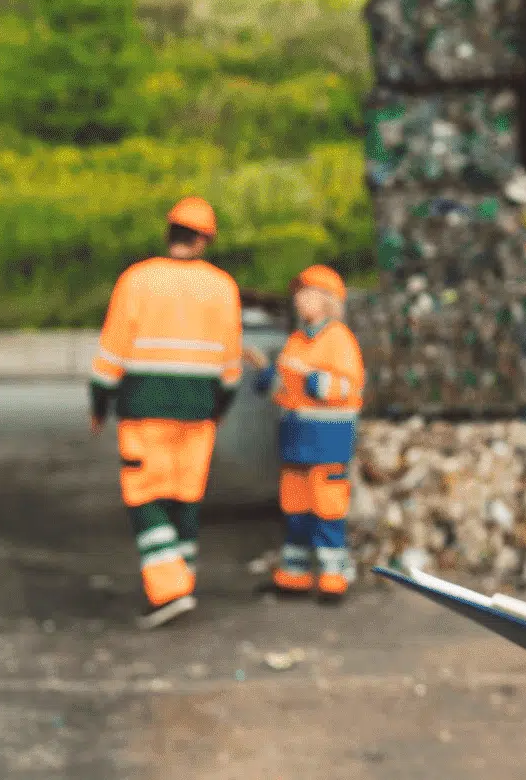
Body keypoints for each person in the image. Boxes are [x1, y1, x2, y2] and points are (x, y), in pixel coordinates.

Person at [90, 196, 244, 630]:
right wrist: (223, 407)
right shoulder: (222, 286)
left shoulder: (137, 280)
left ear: (169, 232)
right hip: (200, 410)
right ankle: (183, 579)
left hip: (144, 409)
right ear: (205, 240)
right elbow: (230, 363)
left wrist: (99, 403)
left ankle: (171, 588)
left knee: (145, 494)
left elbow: (111, 350)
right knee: (185, 495)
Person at [248, 264, 365, 601]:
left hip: (328, 441)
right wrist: (264, 373)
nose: (300, 300)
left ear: (328, 300)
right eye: (299, 293)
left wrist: (310, 376)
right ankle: (294, 576)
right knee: (295, 508)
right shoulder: (297, 341)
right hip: (296, 439)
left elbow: (345, 388)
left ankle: (333, 578)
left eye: (308, 293)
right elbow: (282, 390)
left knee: (327, 507)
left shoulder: (339, 340)